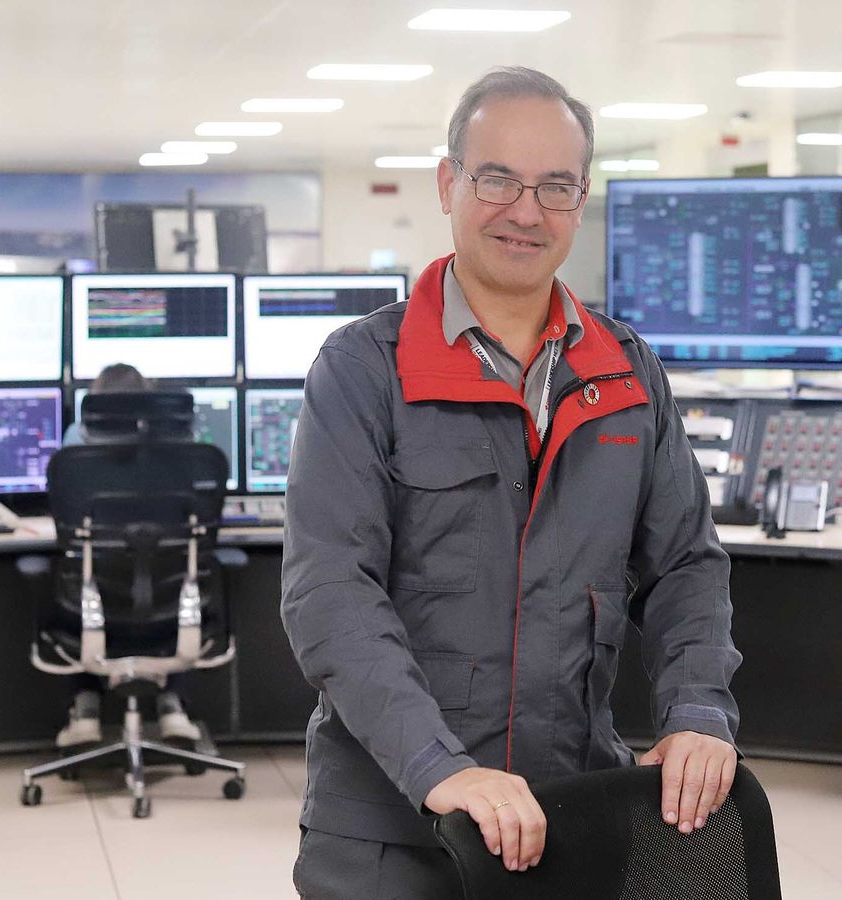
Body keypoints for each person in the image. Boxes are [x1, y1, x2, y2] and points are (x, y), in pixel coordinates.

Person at [280, 66, 741, 898]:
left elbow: (687, 567)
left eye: (555, 187)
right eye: (498, 179)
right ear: (449, 182)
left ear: (580, 200)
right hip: (391, 830)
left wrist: (698, 710)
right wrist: (439, 769)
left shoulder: (628, 372)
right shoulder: (362, 371)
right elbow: (330, 594)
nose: (526, 211)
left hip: (569, 814)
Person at [49, 362, 202, 748]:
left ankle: (85, 710)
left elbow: (64, 518)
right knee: (180, 579)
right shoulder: (181, 447)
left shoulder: (76, 442)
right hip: (169, 604)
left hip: (94, 605)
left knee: (83, 585)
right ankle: (172, 707)